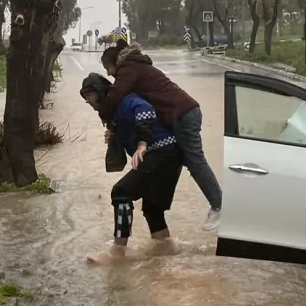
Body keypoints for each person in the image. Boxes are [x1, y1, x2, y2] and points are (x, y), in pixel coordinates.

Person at [98, 40, 222, 231]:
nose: (108, 73)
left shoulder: (129, 68)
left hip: (183, 114)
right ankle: (216, 205)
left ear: (116, 62)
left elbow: (115, 95)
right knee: (186, 159)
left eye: (107, 67)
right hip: (183, 113)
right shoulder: (136, 65)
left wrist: (104, 114)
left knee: (195, 160)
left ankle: (219, 206)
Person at [80, 72, 184, 264]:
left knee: (121, 192)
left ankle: (117, 252)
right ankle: (166, 250)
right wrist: (114, 138)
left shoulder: (127, 101)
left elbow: (146, 111)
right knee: (152, 208)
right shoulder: (114, 113)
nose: (88, 101)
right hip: (168, 154)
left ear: (102, 92)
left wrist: (142, 143)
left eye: (90, 95)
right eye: (85, 97)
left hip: (163, 151)